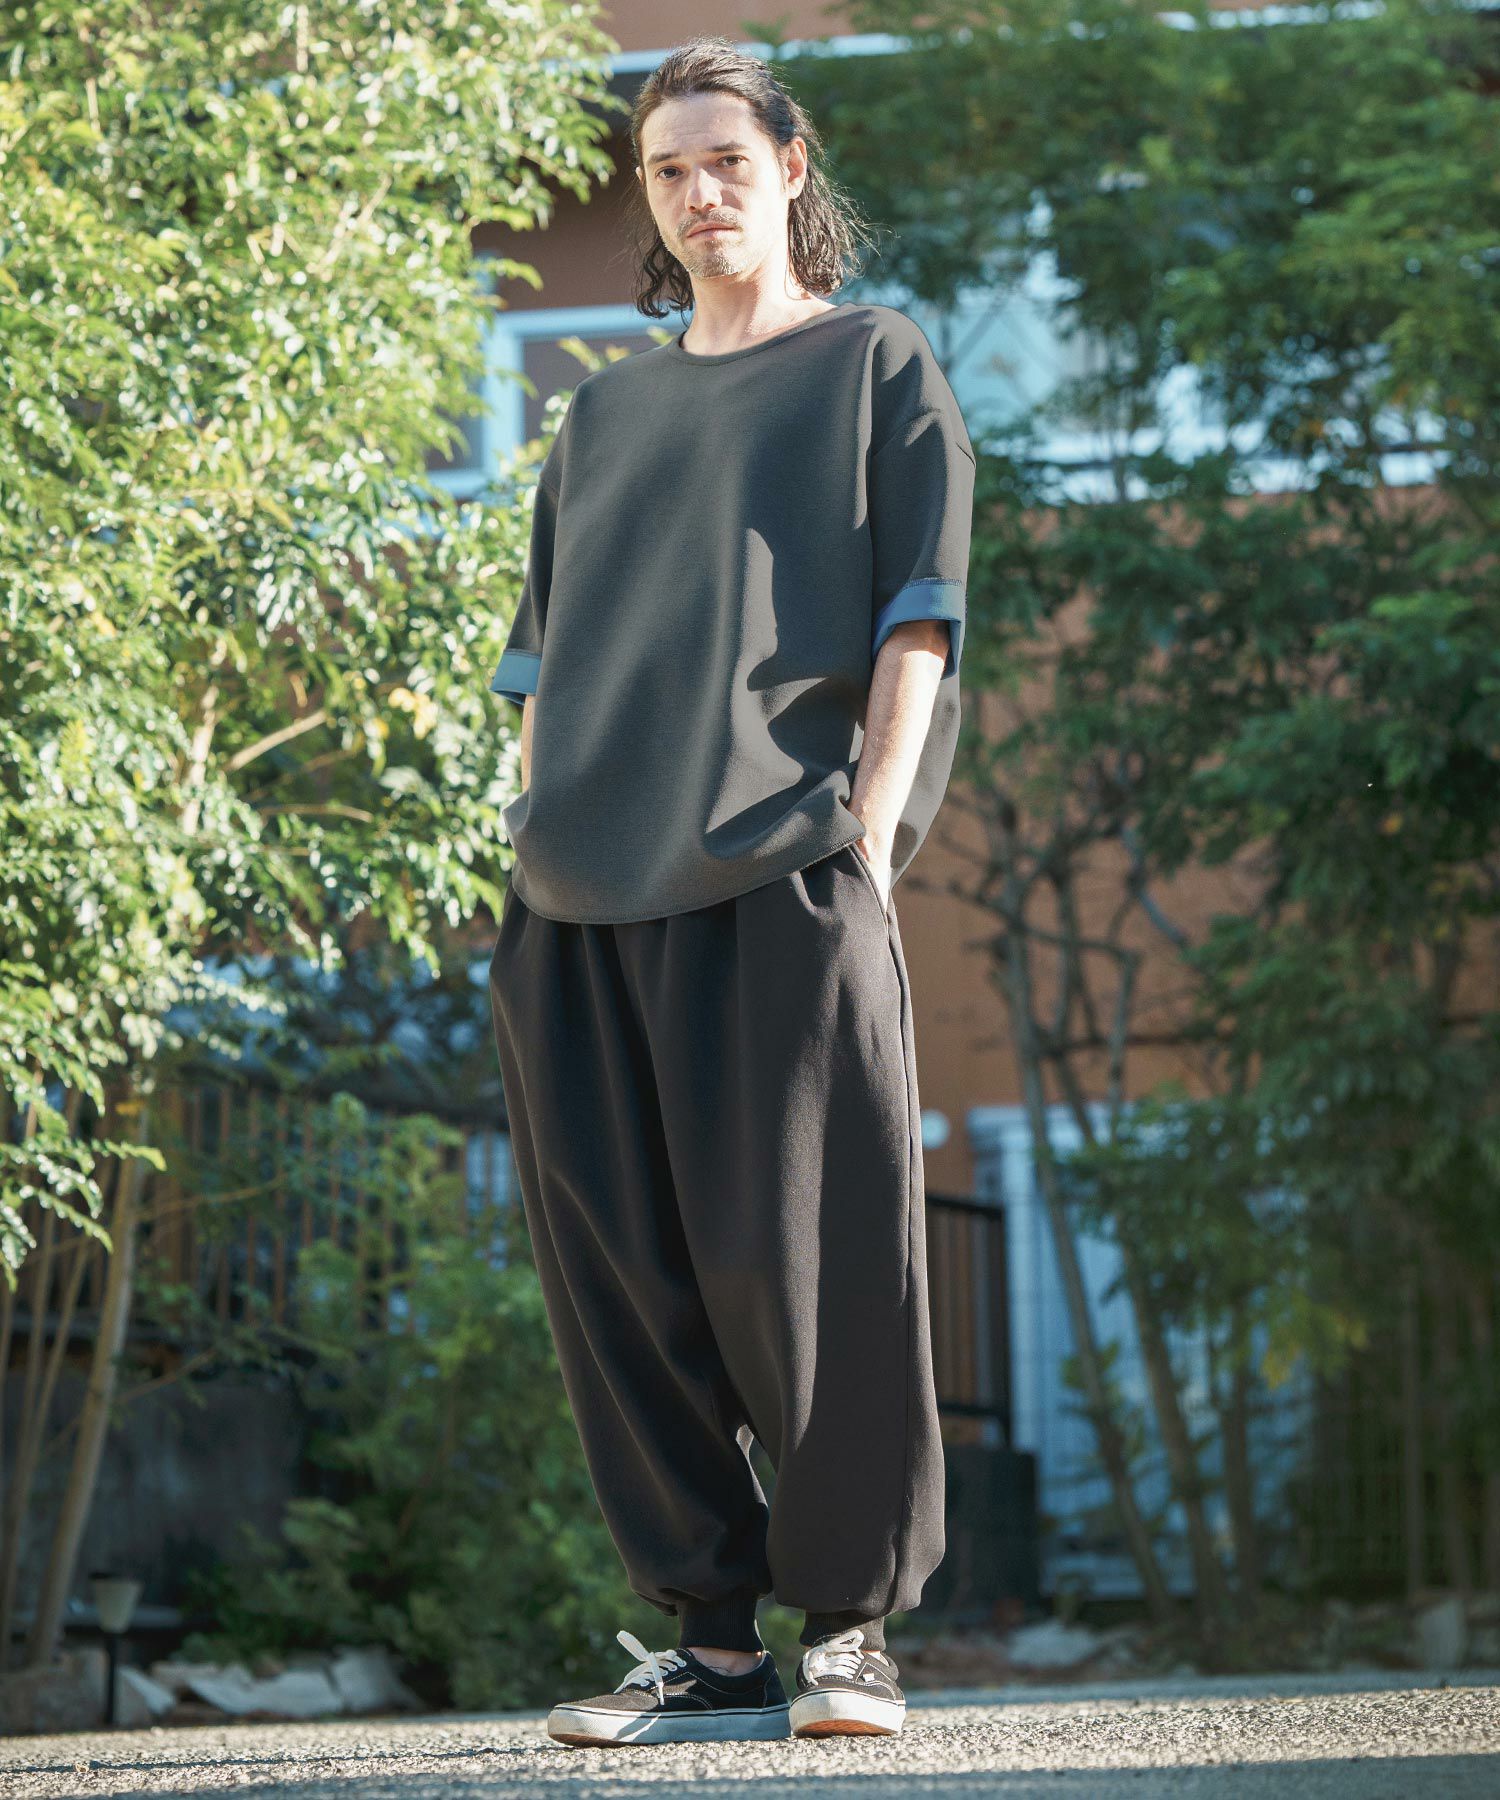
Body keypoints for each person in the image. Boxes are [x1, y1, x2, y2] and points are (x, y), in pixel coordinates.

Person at [487, 35, 976, 1748]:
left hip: (784, 869)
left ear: (788, 167)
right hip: (577, 900)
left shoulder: (872, 363)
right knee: (625, 1280)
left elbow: (919, 617)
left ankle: (849, 1631)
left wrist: (870, 834)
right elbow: (542, 659)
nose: (697, 194)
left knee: (811, 1261)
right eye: (667, 171)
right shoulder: (605, 413)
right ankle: (707, 1644)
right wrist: (528, 826)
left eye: (725, 161)